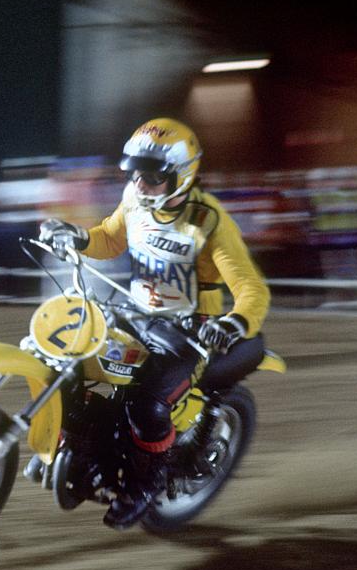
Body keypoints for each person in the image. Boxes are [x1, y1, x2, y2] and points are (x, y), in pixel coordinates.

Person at [38, 118, 270, 529]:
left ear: (180, 176)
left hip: (191, 332)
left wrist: (233, 322)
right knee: (81, 369)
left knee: (149, 404)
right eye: (135, 176)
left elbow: (250, 287)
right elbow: (110, 237)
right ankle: (82, 455)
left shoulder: (208, 222)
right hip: (136, 313)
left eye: (151, 178)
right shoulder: (134, 200)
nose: (140, 186)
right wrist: (76, 236)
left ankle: (144, 485)